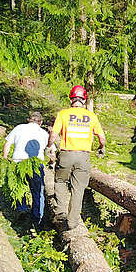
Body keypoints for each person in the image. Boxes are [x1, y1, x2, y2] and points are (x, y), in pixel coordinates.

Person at [46, 85, 106, 230]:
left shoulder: (63, 114)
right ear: (84, 100)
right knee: (78, 188)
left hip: (66, 154)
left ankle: (60, 211)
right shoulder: (92, 116)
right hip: (84, 156)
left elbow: (53, 134)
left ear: (71, 99)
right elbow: (102, 137)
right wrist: (101, 147)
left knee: (60, 181)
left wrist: (49, 147)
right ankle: (72, 221)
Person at [3, 111, 49, 227]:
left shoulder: (19, 128)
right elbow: (51, 150)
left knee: (19, 187)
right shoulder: (44, 133)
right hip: (36, 164)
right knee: (37, 191)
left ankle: (21, 208)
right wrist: (52, 162)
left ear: (29, 119)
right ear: (41, 122)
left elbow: (7, 144)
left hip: (18, 161)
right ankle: (37, 217)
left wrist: (4, 158)